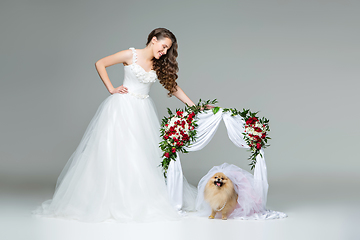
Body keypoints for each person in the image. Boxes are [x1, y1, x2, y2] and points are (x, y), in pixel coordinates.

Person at [33, 28, 196, 223]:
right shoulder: (130, 54)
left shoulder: (158, 64)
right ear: (154, 40)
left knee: (139, 155)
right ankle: (108, 200)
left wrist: (195, 106)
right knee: (115, 152)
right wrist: (111, 88)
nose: (163, 52)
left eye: (167, 50)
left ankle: (135, 200)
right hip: (122, 108)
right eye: (163, 47)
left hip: (143, 111)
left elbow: (173, 87)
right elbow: (100, 63)